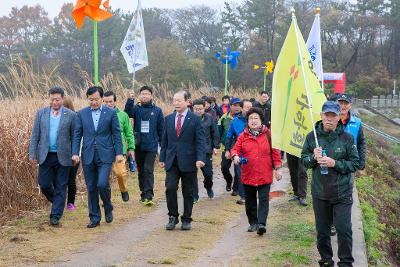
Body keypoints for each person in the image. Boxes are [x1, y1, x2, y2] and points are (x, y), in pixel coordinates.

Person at [301, 101, 359, 267]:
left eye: (333, 116)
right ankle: (326, 261)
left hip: (343, 193)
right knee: (323, 232)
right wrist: (313, 157)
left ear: (338, 117)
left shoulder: (347, 138)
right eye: (327, 115)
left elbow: (355, 164)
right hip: (320, 193)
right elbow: (304, 161)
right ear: (321, 116)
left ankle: (346, 262)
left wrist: (335, 163)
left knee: (344, 229)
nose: (329, 119)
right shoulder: (312, 137)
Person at [72, 86, 124, 228]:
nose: (93, 102)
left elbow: (116, 134)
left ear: (101, 98)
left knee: (102, 183)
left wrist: (119, 152)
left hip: (106, 154)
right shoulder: (82, 114)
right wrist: (75, 153)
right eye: (91, 100)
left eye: (96, 99)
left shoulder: (110, 113)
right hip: (88, 154)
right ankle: (94, 217)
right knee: (91, 187)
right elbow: (77, 134)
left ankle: (107, 206)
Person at [29, 87, 77, 226]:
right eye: (52, 99)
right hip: (45, 155)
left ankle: (55, 216)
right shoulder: (41, 113)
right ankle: (59, 201)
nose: (54, 102)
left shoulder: (71, 115)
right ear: (49, 99)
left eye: (57, 99)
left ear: (62, 99)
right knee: (44, 184)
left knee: (61, 185)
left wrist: (75, 153)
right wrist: (32, 153)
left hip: (64, 156)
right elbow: (35, 135)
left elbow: (75, 137)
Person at [231, 107, 282, 235]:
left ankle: (261, 224)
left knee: (264, 199)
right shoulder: (243, 136)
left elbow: (275, 153)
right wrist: (235, 156)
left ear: (261, 120)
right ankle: (253, 223)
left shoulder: (268, 134)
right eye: (251, 119)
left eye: (256, 118)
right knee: (250, 201)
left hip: (265, 173)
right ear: (247, 121)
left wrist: (277, 169)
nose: (253, 121)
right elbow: (235, 149)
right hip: (248, 173)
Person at [159, 91, 206, 231]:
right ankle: (172, 216)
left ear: (188, 102)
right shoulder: (168, 119)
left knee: (188, 191)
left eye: (179, 100)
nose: (176, 103)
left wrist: (200, 158)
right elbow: (164, 140)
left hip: (189, 160)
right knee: (171, 188)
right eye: (174, 100)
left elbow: (200, 141)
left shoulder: (195, 119)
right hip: (172, 160)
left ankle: (186, 219)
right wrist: (162, 158)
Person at [124, 86, 164, 205]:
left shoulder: (157, 111)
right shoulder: (136, 108)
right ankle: (143, 193)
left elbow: (161, 129)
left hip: (151, 145)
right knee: (141, 171)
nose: (144, 96)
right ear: (139, 96)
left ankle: (149, 195)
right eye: (142, 94)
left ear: (151, 96)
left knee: (148, 169)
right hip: (139, 145)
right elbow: (127, 113)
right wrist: (130, 100)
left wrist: (162, 145)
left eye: (147, 94)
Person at [103, 91, 135, 202]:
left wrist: (131, 148)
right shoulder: (100, 115)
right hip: (104, 150)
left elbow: (129, 133)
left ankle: (124, 190)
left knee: (121, 174)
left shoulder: (123, 115)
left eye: (110, 101)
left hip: (119, 151)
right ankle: (107, 199)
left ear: (115, 101)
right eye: (105, 102)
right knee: (104, 178)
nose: (108, 104)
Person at [225, 99, 253, 204]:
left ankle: (252, 194)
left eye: (251, 107)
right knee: (241, 174)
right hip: (240, 151)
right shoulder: (235, 121)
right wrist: (228, 149)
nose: (249, 109)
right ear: (242, 108)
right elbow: (229, 136)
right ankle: (243, 197)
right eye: (247, 107)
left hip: (254, 152)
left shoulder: (255, 120)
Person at [192, 99, 220, 202]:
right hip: (192, 151)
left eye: (200, 109)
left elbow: (215, 133)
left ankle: (208, 187)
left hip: (206, 150)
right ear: (192, 109)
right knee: (192, 175)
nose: (198, 111)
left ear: (204, 108)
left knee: (208, 174)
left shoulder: (209, 118)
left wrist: (216, 146)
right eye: (196, 109)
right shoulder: (189, 119)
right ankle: (194, 196)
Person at [218, 97, 241, 192]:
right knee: (224, 167)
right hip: (226, 147)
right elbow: (219, 132)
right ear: (230, 106)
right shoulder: (223, 118)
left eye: (239, 106)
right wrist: (217, 145)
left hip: (239, 148)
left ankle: (236, 188)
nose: (237, 108)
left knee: (238, 169)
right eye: (235, 105)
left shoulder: (242, 118)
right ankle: (229, 180)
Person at [63, 96, 78, 211]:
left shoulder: (75, 118)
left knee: (70, 179)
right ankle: (59, 201)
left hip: (74, 154)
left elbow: (78, 138)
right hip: (59, 155)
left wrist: (77, 154)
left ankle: (71, 203)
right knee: (60, 179)